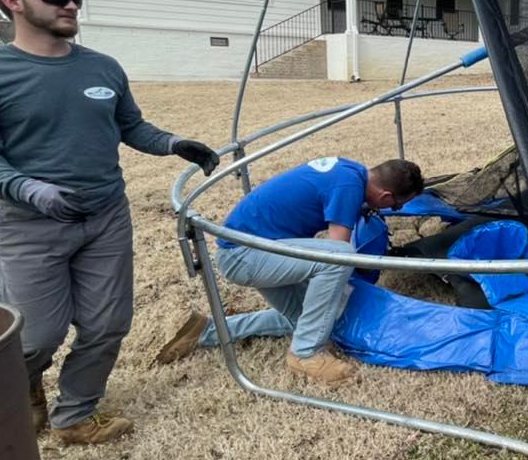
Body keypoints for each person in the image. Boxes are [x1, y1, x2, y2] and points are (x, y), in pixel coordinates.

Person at [0, 0, 220, 445]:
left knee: (108, 323)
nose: (71, 5)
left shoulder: (101, 67)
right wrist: (30, 189)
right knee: (35, 335)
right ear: (13, 2)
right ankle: (23, 387)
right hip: (29, 222)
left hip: (106, 215)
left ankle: (75, 415)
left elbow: (130, 127)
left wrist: (175, 143)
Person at [156, 156, 424, 385]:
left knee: (313, 318)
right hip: (245, 255)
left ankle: (206, 332)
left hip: (261, 247)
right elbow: (337, 250)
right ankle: (305, 354)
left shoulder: (350, 171)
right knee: (340, 258)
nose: (394, 209)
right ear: (386, 196)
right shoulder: (349, 187)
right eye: (397, 206)